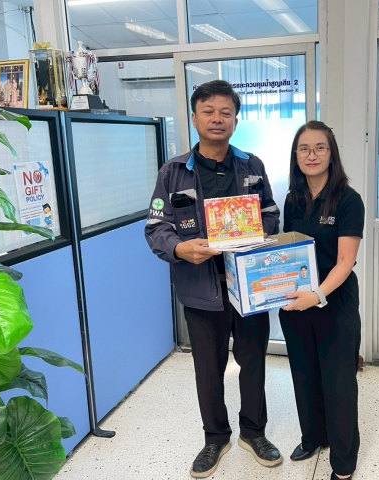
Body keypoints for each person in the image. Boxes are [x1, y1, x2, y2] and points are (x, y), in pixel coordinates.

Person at [145, 80, 282, 478]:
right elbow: (156, 227)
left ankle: (254, 433)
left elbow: (271, 213)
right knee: (208, 368)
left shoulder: (252, 166)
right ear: (195, 118)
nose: (217, 119)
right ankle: (215, 438)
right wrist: (179, 249)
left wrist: (258, 231)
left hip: (249, 288)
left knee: (253, 363)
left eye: (226, 112)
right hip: (200, 291)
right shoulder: (173, 172)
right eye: (209, 112)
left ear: (235, 120)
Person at [279, 120, 364, 480]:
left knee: (338, 382)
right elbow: (287, 251)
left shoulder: (348, 200)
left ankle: (343, 464)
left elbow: (345, 262)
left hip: (334, 302)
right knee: (304, 373)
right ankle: (313, 436)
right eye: (304, 148)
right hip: (297, 303)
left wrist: (317, 295)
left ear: (332, 154)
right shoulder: (293, 199)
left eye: (320, 148)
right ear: (296, 156)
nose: (311, 155)